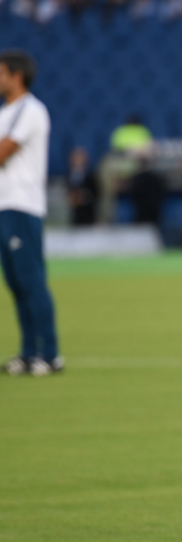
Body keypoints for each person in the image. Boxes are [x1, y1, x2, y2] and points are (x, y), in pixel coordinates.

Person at [0, 50, 62, 377]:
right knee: (15, 282)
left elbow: (4, 151)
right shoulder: (6, 112)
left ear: (17, 76)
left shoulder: (30, 110)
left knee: (31, 279)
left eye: (1, 73)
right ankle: (27, 352)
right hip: (4, 204)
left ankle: (49, 353)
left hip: (22, 204)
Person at [67, 146, 98, 227]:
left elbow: (95, 195)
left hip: (88, 216)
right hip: (73, 217)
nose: (78, 161)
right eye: (76, 158)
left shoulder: (91, 177)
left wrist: (83, 197)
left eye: (80, 158)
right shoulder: (68, 177)